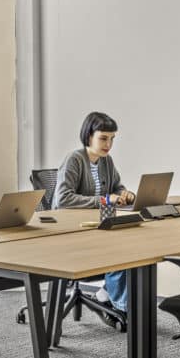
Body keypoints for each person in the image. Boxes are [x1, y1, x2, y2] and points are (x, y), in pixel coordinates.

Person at [52, 111, 135, 326]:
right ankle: (119, 305)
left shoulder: (106, 161)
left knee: (135, 247)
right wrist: (105, 200)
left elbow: (117, 187)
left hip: (97, 228)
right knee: (120, 251)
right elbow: (63, 200)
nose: (108, 144)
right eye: (103, 138)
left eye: (112, 139)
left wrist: (126, 194)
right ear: (89, 135)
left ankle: (109, 297)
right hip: (72, 233)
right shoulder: (75, 159)